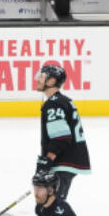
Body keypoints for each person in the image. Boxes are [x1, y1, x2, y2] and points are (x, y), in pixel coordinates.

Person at [35, 63, 90, 200]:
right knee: (51, 202)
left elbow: (61, 137)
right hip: (67, 161)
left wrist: (47, 160)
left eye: (41, 77)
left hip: (63, 162)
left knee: (52, 204)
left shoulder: (54, 104)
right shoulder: (62, 101)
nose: (37, 80)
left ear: (51, 81)